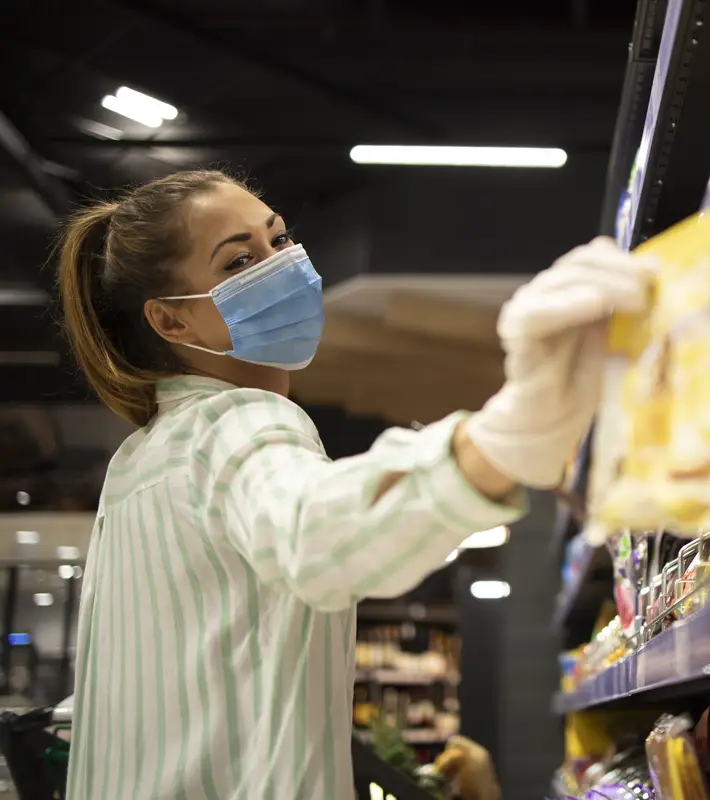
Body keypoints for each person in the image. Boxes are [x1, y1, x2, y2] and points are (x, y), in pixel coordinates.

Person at [55, 169, 652, 798]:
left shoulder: (136, 465)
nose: (282, 267)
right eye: (238, 261)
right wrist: (509, 433)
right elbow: (314, 532)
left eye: (279, 240)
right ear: (173, 323)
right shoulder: (236, 421)